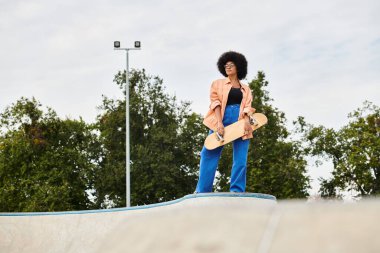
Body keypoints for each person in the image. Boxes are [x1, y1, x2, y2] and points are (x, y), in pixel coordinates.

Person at [195, 51, 256, 193]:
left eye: (231, 64)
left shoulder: (246, 89)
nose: (228, 66)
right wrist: (219, 124)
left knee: (241, 158)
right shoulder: (217, 84)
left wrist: (247, 121)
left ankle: (237, 190)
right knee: (208, 152)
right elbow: (215, 102)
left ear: (238, 67)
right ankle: (203, 190)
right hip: (221, 118)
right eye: (226, 64)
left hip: (241, 121)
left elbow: (247, 106)